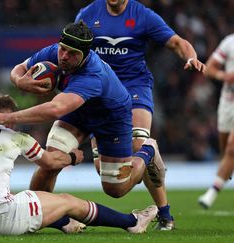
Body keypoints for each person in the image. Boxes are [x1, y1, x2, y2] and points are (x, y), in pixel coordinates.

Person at [0, 21, 164, 207]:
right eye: (63, 49)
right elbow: (19, 68)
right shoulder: (54, 53)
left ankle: (148, 149)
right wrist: (19, 81)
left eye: (72, 53)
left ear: (85, 55)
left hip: (111, 119)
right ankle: (35, 213)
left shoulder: (93, 75)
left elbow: (55, 109)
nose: (64, 56)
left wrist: (6, 117)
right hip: (78, 112)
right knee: (50, 162)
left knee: (115, 189)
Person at [0, 93, 157, 235]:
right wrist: (72, 157)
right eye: (12, 119)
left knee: (24, 197)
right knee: (67, 200)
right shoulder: (16, 137)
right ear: (9, 117)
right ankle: (133, 221)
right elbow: (49, 162)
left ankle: (64, 224)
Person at [73, 0, 206, 230]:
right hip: (102, 91)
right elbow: (74, 50)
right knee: (106, 174)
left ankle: (165, 214)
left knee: (137, 144)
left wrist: (190, 57)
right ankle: (149, 151)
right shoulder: (88, 14)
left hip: (134, 87)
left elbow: (176, 42)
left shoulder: (142, 15)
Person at [198, 34, 234, 209]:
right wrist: (223, 75)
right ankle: (226, 169)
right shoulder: (229, 42)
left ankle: (211, 193)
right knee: (225, 150)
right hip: (228, 103)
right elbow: (209, 68)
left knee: (232, 148)